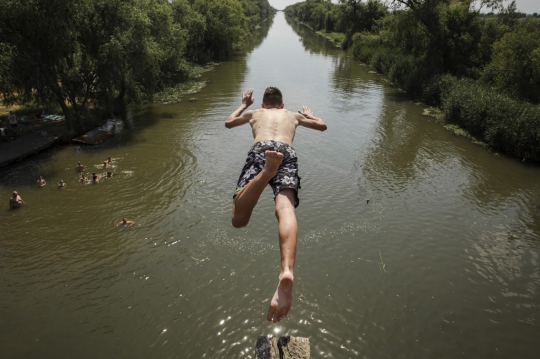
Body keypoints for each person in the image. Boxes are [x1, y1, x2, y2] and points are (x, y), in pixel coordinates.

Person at [225, 87, 327, 323]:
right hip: (286, 152)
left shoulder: (256, 113)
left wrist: (244, 105)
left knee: (238, 220)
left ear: (263, 103)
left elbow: (229, 123)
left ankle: (264, 174)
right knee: (285, 209)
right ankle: (287, 271)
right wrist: (309, 115)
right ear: (282, 105)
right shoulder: (292, 115)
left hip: (261, 150)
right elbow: (322, 126)